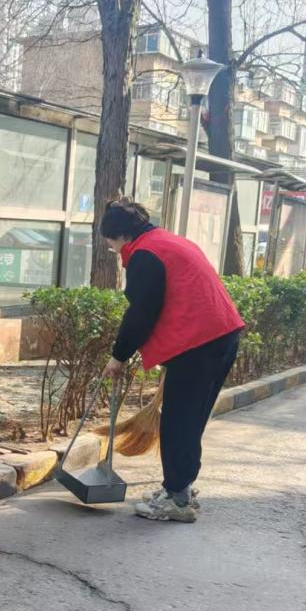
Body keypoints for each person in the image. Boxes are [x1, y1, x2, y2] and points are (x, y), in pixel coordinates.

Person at [100, 198, 245, 524]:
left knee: (178, 422)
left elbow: (141, 313)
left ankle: (177, 499)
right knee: (190, 420)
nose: (111, 249)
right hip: (220, 336)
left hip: (199, 344)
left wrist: (118, 356)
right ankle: (180, 489)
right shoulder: (166, 241)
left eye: (110, 242)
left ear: (121, 236)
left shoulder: (145, 255)